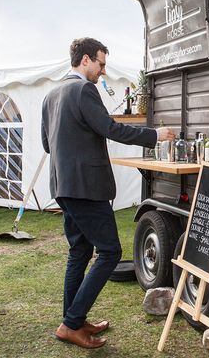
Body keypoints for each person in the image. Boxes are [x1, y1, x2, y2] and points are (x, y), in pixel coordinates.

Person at [41, 38, 174, 349]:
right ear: (85, 59)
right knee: (111, 252)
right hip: (86, 187)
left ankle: (73, 317)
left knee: (80, 252)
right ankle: (71, 324)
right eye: (100, 64)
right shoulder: (83, 90)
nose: (102, 71)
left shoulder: (51, 95)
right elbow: (111, 128)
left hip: (62, 185)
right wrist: (154, 135)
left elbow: (48, 145)